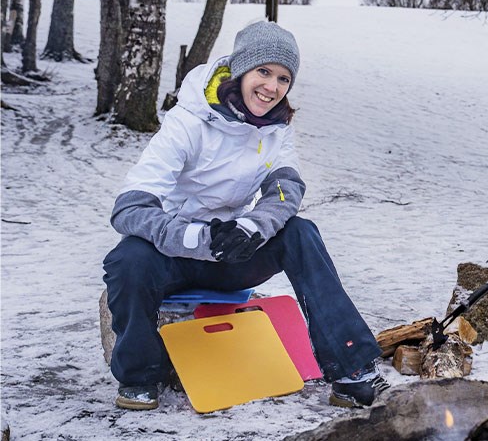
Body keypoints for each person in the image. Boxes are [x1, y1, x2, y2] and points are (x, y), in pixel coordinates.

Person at [103, 21, 388, 410]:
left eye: (283, 78)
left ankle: (351, 369)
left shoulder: (276, 128)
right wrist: (198, 239)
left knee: (301, 233)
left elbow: (286, 190)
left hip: (232, 254)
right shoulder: (187, 122)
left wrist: (252, 228)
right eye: (264, 72)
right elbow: (130, 207)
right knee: (127, 258)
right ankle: (140, 375)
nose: (272, 87)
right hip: (174, 257)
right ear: (240, 70)